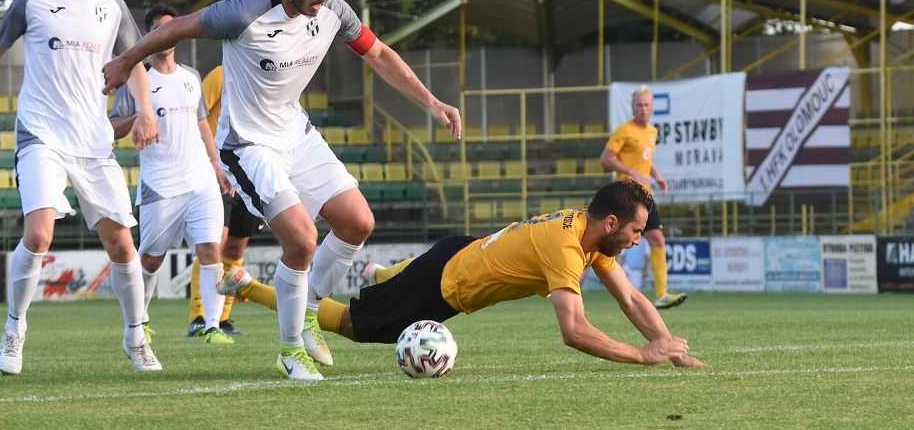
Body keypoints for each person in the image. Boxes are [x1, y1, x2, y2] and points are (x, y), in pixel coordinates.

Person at [102, 0, 462, 381]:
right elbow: (176, 27)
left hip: (298, 134)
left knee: (358, 222)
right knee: (303, 240)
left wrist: (433, 102)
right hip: (249, 146)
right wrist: (124, 62)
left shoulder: (333, 10)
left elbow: (381, 55)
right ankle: (291, 350)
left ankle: (307, 312)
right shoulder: (244, 11)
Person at [216, 180, 708, 368]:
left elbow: (632, 300)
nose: (638, 240)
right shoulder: (566, 245)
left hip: (457, 252)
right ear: (612, 223)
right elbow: (574, 331)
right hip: (444, 285)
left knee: (397, 287)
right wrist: (643, 355)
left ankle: (389, 275)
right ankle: (245, 284)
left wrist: (673, 350)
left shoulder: (585, 234)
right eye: (637, 231)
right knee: (350, 327)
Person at [0, 0, 162, 374]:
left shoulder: (112, 6)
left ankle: (135, 338)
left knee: (122, 247)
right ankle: (14, 332)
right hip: (41, 135)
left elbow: (134, 60)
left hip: (94, 141)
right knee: (39, 234)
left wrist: (145, 109)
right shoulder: (32, 1)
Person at [109, 3, 234, 345]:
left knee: (211, 248)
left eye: (172, 27)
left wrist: (217, 167)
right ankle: (140, 319)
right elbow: (112, 128)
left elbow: (202, 126)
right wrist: (139, 118)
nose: (166, 34)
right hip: (159, 184)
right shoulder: (137, 80)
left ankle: (212, 325)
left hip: (200, 180)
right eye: (159, 29)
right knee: (151, 258)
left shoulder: (191, 77)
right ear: (148, 35)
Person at [185, 64, 263, 338]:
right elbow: (195, 116)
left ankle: (224, 318)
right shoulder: (220, 74)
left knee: (237, 243)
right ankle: (200, 316)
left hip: (251, 170)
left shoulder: (262, 73)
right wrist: (213, 163)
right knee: (215, 241)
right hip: (220, 170)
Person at [600, 85, 686, 309]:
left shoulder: (652, 132)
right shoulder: (624, 130)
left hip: (644, 195)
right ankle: (576, 279)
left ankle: (662, 294)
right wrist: (632, 172)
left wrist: (657, 177)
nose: (643, 108)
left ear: (652, 107)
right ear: (632, 107)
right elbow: (606, 159)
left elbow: (646, 161)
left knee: (657, 239)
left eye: (647, 104)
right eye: (639, 104)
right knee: (609, 241)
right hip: (625, 193)